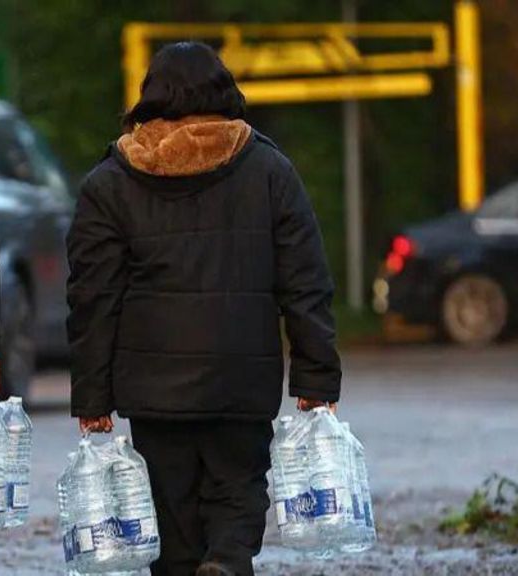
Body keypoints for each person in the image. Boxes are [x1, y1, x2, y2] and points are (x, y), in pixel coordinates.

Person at [66, 42, 342, 576]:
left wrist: (92, 395)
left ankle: (198, 562)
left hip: (154, 388)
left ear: (151, 97)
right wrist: (316, 378)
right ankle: (228, 560)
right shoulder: (268, 170)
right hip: (241, 379)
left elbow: (92, 298)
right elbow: (306, 281)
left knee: (170, 520)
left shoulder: (110, 183)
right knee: (237, 495)